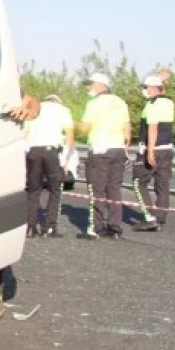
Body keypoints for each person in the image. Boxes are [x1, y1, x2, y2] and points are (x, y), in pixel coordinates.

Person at [77, 73, 132, 240]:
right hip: (118, 149)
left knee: (97, 188)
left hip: (100, 150)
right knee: (114, 189)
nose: (88, 88)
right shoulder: (120, 102)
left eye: (90, 84)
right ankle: (115, 227)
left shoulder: (94, 103)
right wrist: (125, 147)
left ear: (101, 85)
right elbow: (127, 126)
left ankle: (96, 228)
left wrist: (72, 123)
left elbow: (84, 128)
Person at [24, 94, 74, 238]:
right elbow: (69, 135)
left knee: (33, 190)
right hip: (51, 152)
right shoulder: (63, 110)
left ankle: (30, 227)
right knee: (54, 190)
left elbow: (25, 133)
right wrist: (65, 160)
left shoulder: (34, 107)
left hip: (33, 151)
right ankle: (50, 227)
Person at [132, 73, 175, 231]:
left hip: (153, 148)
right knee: (162, 184)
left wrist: (149, 151)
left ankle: (150, 217)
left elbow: (153, 127)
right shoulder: (168, 102)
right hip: (167, 149)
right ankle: (161, 218)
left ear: (153, 88)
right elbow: (162, 91)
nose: (144, 90)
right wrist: (160, 79)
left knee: (138, 182)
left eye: (146, 87)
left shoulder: (152, 104)